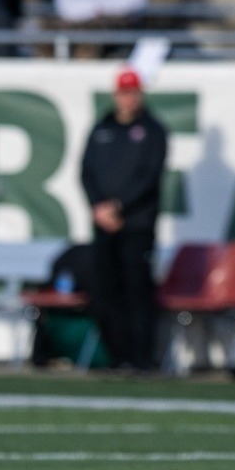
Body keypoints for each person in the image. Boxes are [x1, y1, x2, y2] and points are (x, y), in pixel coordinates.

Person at [80, 67, 168, 371]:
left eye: (133, 92)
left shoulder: (153, 130)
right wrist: (98, 207)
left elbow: (149, 177)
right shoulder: (102, 127)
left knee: (137, 291)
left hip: (137, 226)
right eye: (123, 92)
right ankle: (117, 356)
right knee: (105, 290)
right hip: (103, 226)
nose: (128, 98)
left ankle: (143, 358)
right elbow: (86, 171)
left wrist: (118, 206)